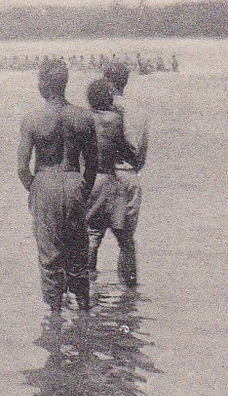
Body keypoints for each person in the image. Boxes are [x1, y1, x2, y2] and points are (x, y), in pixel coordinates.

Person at [18, 58, 98, 313]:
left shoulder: (32, 119)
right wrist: (82, 191)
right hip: (74, 180)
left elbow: (22, 168)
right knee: (77, 252)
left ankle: (54, 318)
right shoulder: (83, 117)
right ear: (64, 83)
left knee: (50, 256)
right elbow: (93, 164)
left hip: (45, 181)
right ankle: (84, 312)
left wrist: (35, 190)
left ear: (43, 84)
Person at [87, 64, 149, 286]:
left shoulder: (95, 110)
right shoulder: (139, 111)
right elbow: (139, 154)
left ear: (106, 81)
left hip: (100, 177)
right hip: (129, 176)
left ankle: (88, 290)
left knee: (92, 235)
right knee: (126, 240)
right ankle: (129, 295)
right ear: (126, 81)